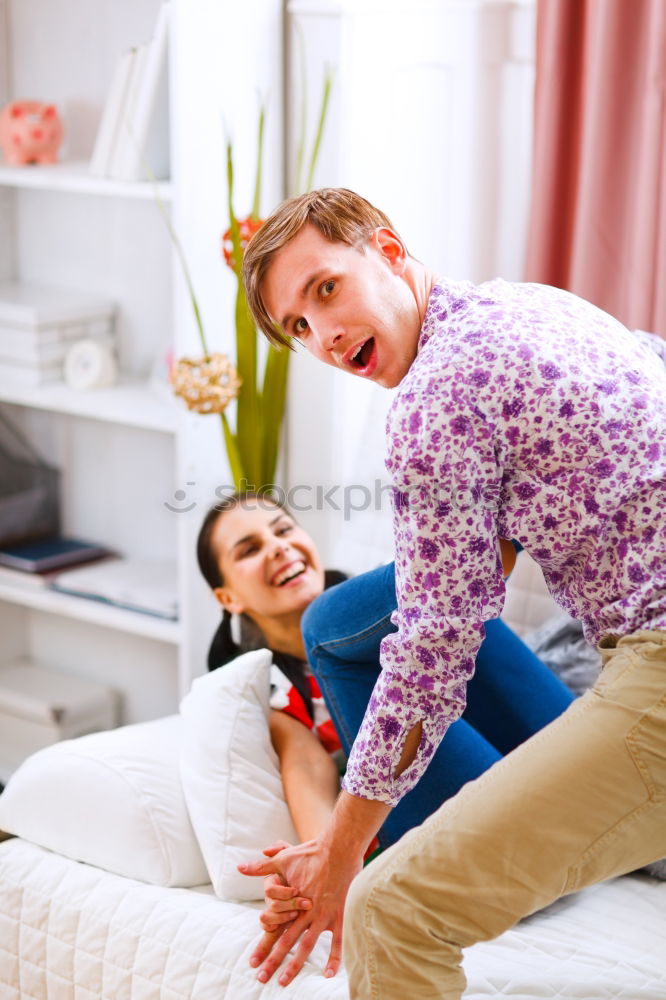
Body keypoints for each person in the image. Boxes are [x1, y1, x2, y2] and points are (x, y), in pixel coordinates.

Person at [238, 187, 666, 997]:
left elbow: (435, 646)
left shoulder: (436, 400)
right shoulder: (534, 306)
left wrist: (341, 853)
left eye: (325, 289)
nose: (324, 335)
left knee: (390, 912)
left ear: (389, 251)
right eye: (299, 326)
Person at [198, 490, 574, 949]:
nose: (278, 547)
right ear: (227, 596)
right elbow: (308, 779)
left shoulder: (385, 607)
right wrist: (321, 877)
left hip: (581, 794)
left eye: (283, 530)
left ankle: (477, 554)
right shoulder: (280, 699)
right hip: (502, 849)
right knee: (344, 620)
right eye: (250, 549)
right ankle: (477, 555)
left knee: (444, 616)